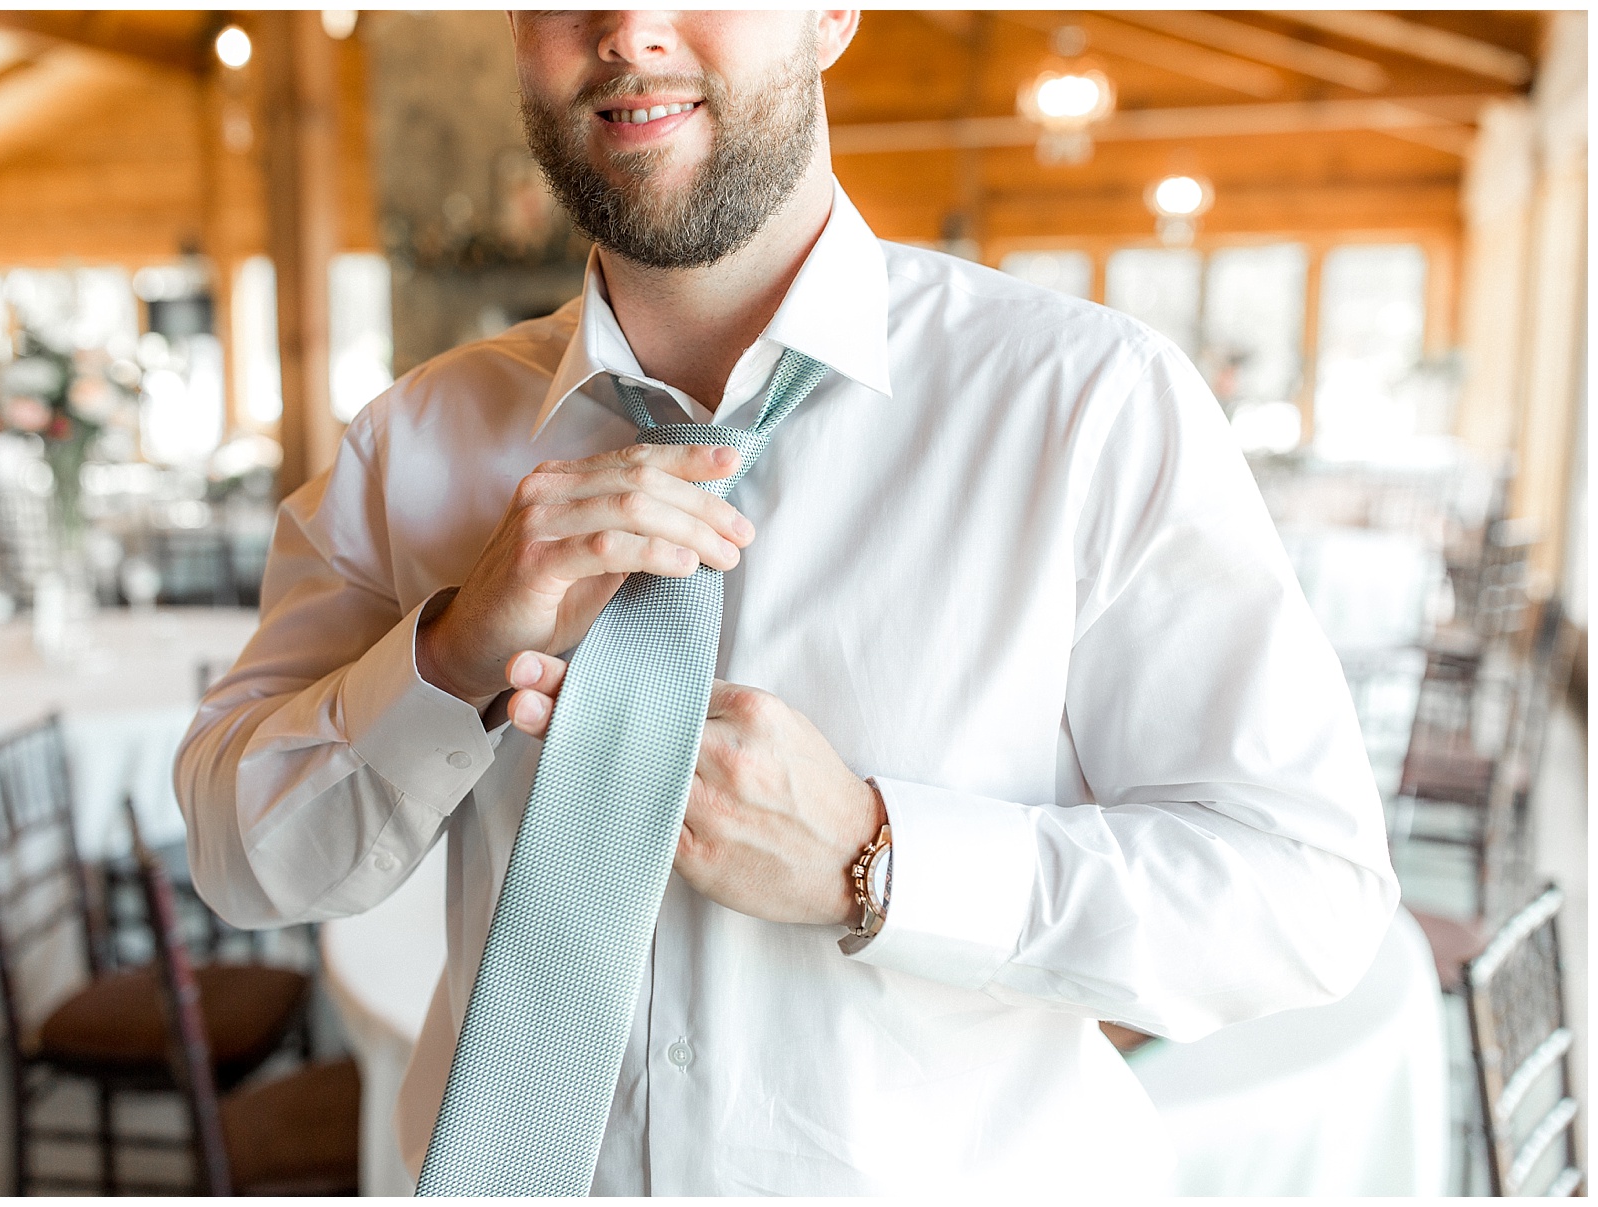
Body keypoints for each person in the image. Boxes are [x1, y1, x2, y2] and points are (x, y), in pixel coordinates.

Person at [177, 10, 1398, 1196]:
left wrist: (877, 857)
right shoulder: (410, 444)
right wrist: (448, 657)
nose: (628, 29)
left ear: (833, 17)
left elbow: (1306, 895)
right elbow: (245, 860)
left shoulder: (1089, 408)